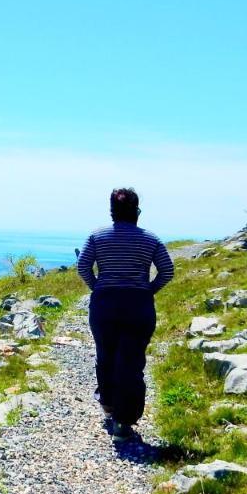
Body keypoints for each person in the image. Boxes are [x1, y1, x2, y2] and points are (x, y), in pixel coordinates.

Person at [76, 187, 174, 439]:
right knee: (131, 362)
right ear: (137, 211)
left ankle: (109, 407)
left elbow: (83, 265)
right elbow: (167, 271)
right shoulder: (151, 239)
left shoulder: (97, 236)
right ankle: (124, 421)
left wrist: (97, 286)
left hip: (104, 304)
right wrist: (148, 290)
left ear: (112, 212)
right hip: (138, 305)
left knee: (106, 355)